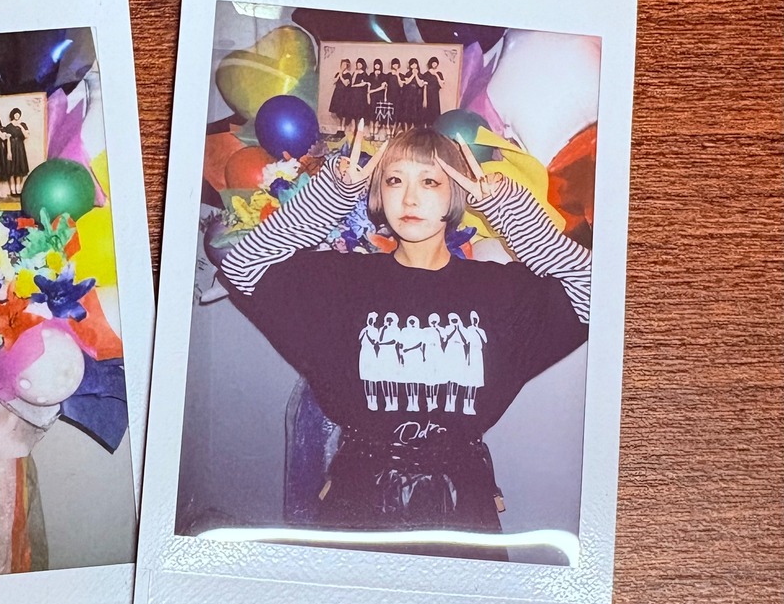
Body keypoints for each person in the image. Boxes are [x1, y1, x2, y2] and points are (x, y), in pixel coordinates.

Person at [219, 126, 590, 557]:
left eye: (429, 181)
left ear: (455, 195)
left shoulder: (499, 292)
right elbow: (243, 266)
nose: (410, 198)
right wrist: (333, 193)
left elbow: (594, 294)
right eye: (395, 180)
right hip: (358, 506)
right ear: (379, 192)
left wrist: (507, 208)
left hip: (462, 510)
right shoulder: (343, 283)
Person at [2, 107, 31, 195]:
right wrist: (9, 151)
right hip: (11, 147)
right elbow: (7, 140)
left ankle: (18, 189)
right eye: (16, 114)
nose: (17, 116)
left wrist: (20, 126)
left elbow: (26, 136)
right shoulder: (8, 127)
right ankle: (12, 190)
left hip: (20, 147)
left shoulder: (23, 125)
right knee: (11, 170)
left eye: (18, 114)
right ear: (13, 115)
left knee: (19, 169)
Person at [423, 56, 445, 122]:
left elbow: (442, 86)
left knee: (435, 111)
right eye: (433, 63)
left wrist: (436, 75)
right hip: (428, 94)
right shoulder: (426, 74)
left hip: (435, 95)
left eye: (436, 63)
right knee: (427, 113)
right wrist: (424, 99)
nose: (434, 64)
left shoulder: (439, 74)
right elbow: (425, 87)